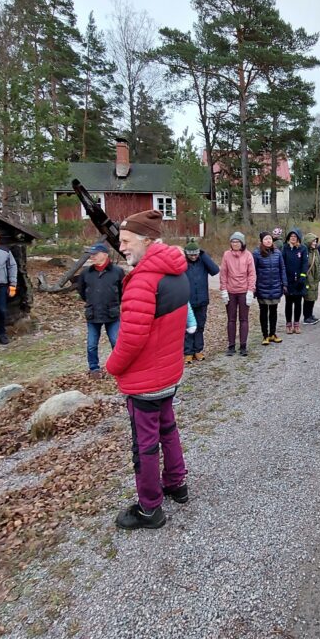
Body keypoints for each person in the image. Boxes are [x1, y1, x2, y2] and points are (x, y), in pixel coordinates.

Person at [106, 210, 190, 530]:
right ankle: (176, 484)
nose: (121, 247)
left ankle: (149, 508)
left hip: (145, 381)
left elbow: (131, 339)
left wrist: (113, 366)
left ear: (147, 240)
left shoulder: (142, 281)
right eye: (120, 241)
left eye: (127, 241)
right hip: (168, 372)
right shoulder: (176, 270)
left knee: (145, 445)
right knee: (168, 429)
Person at [77, 242, 124, 377]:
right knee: (91, 344)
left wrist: (114, 304)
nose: (93, 257)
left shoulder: (117, 271)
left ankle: (118, 368)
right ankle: (94, 369)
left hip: (112, 314)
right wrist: (92, 302)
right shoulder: (86, 273)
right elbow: (81, 291)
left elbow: (123, 291)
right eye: (91, 255)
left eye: (95, 254)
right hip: (93, 314)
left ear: (105, 254)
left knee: (116, 342)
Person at [219, 231, 255, 357]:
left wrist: (251, 290)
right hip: (230, 291)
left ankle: (243, 345)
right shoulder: (226, 255)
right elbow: (223, 274)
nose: (235, 244)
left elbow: (251, 274)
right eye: (233, 241)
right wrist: (223, 290)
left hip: (244, 291)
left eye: (237, 241)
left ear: (242, 243)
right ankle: (231, 345)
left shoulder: (248, 255)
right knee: (231, 319)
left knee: (244, 319)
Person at [183, 238, 219, 363]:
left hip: (202, 300)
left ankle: (198, 350)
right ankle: (188, 352)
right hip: (187, 301)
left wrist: (203, 255)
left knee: (200, 326)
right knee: (188, 327)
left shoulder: (203, 261)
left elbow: (215, 270)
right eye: (191, 254)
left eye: (196, 254)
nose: (193, 257)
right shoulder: (182, 263)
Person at [254, 231, 287, 345]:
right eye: (266, 239)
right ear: (261, 241)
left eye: (269, 239)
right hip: (262, 286)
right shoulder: (257, 253)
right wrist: (254, 286)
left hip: (275, 286)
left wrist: (284, 283)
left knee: (273, 311)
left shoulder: (277, 252)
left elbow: (282, 268)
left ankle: (273, 333)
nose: (268, 241)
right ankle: (265, 335)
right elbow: (253, 271)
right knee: (263, 311)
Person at [280, 228, 309, 335]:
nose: (293, 238)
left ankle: (296, 324)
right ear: (288, 238)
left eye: (295, 237)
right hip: (288, 280)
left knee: (298, 303)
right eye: (291, 236)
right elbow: (282, 264)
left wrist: (302, 277)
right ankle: (288, 325)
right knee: (288, 303)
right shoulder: (285, 248)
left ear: (298, 238)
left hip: (299, 281)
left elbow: (305, 264)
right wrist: (283, 280)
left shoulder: (303, 249)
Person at [302, 232, 320, 325]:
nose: (314, 243)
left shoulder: (316, 251)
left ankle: (310, 314)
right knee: (308, 297)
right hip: (308, 277)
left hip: (315, 278)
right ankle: (306, 316)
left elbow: (319, 263)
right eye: (313, 241)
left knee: (313, 296)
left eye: (315, 241)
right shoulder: (305, 251)